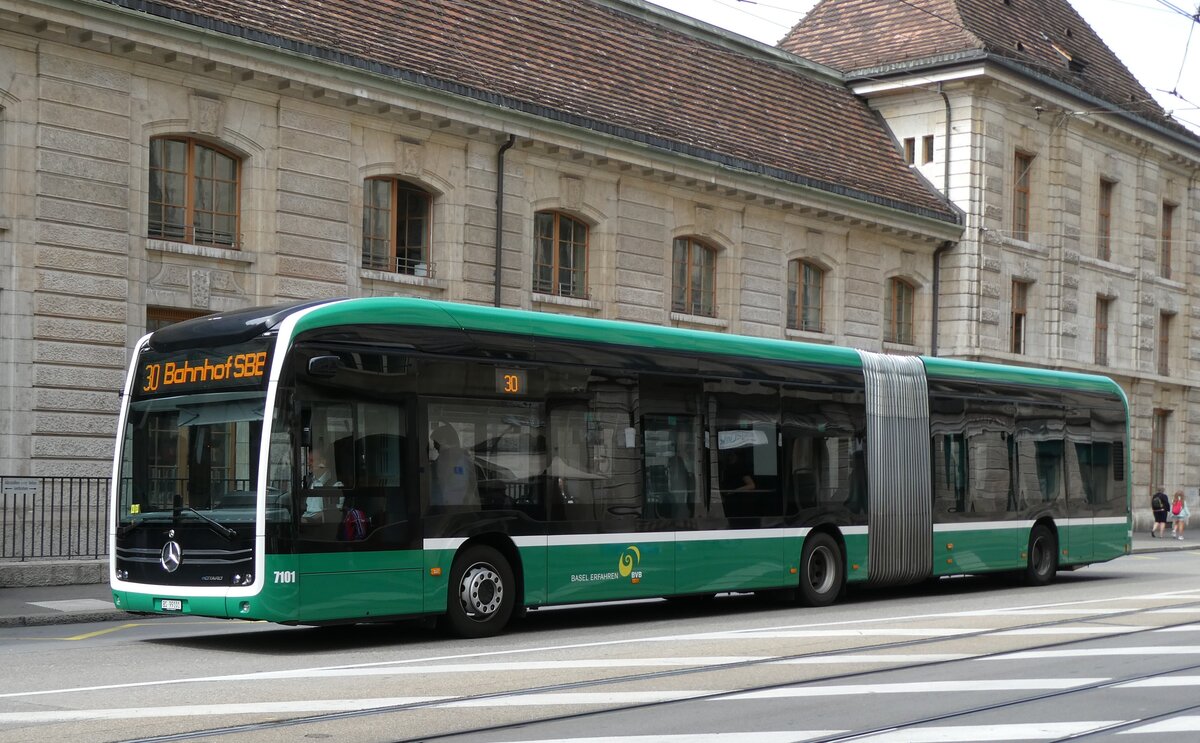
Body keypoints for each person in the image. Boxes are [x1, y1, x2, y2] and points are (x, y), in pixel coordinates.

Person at [430, 424, 479, 507]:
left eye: (435, 442)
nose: (434, 447)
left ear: (443, 440)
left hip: (456, 509)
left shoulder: (465, 461)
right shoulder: (466, 461)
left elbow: (472, 486)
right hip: (445, 508)